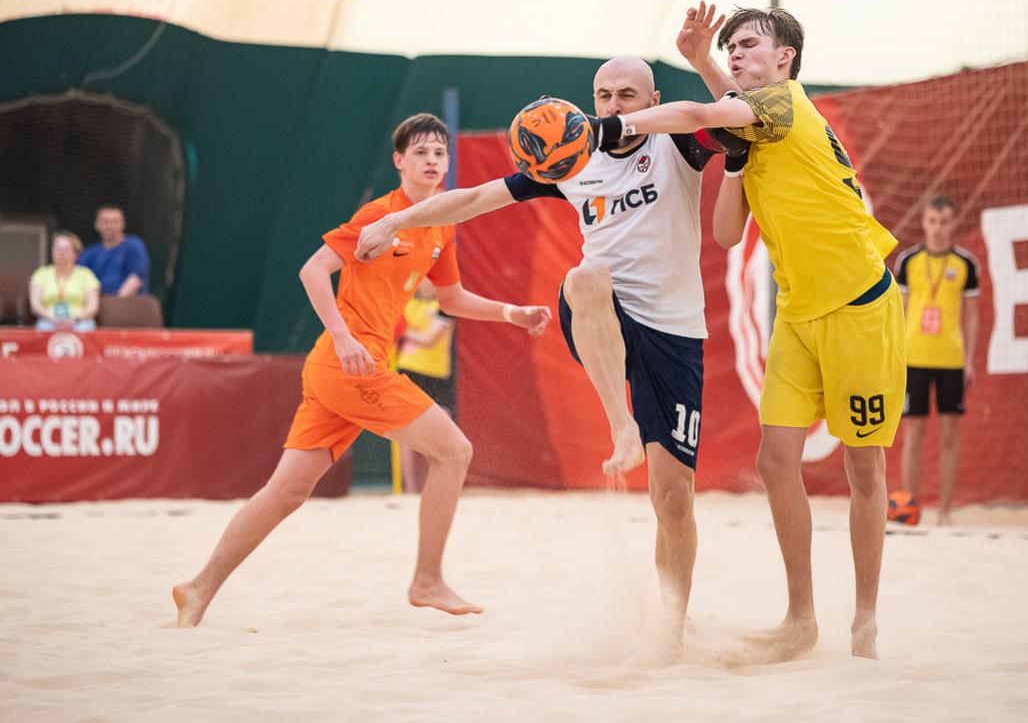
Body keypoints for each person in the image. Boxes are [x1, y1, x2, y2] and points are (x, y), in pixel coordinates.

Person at [355, 56, 733, 658]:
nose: (612, 105)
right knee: (586, 276)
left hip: (674, 331)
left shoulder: (676, 143)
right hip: (601, 316)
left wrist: (702, 58)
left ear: (653, 99)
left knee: (673, 500)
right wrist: (396, 219)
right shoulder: (571, 156)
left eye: (627, 94)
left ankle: (671, 629)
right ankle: (621, 425)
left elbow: (733, 115)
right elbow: (473, 199)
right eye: (603, 95)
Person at [595, 3, 905, 660]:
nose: (736, 52)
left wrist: (614, 123)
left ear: (784, 57)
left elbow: (700, 113)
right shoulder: (753, 127)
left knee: (863, 464)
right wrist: (702, 61)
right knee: (774, 461)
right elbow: (726, 224)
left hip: (859, 304)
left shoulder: (783, 103)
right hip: (797, 311)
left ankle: (865, 622)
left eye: (748, 44)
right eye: (730, 46)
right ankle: (801, 619)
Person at [172, 113, 551, 627]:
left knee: (285, 493)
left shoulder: (441, 224)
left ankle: (198, 588)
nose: (432, 161)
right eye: (420, 152)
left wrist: (511, 312)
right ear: (399, 161)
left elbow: (452, 298)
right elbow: (312, 270)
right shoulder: (380, 215)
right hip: (349, 363)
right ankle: (427, 580)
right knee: (455, 451)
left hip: (341, 370)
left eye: (439, 152)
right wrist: (344, 337)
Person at [894, 196, 980, 526]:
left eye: (944, 222)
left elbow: (971, 316)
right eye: (932, 221)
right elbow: (899, 312)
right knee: (913, 435)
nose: (937, 228)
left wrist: (969, 359)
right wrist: (896, 356)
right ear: (924, 222)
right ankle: (909, 507)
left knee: (949, 437)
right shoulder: (908, 261)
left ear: (953, 223)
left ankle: (945, 511)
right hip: (913, 357)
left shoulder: (965, 264)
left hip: (950, 360)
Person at [395, 279, 456, 493]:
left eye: (429, 278)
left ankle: (437, 485)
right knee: (409, 434)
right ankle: (412, 490)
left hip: (438, 373)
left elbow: (429, 339)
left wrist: (401, 332)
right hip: (411, 370)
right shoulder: (405, 304)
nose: (425, 283)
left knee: (441, 432)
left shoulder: (445, 306)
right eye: (422, 279)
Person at [28, 231, 100, 332]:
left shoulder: (86, 275)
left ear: (76, 254)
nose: (61, 253)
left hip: (79, 320)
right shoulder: (41, 274)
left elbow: (92, 307)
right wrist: (52, 319)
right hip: (48, 320)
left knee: (85, 328)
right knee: (44, 328)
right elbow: (35, 305)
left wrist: (75, 319)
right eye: (58, 248)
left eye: (66, 249)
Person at [78, 205, 150, 296]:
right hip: (96, 300)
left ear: (123, 224)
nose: (110, 226)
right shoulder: (90, 252)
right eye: (105, 222)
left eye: (115, 222)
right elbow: (79, 277)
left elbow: (136, 278)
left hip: (126, 301)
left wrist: (117, 300)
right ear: (96, 225)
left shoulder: (133, 245)